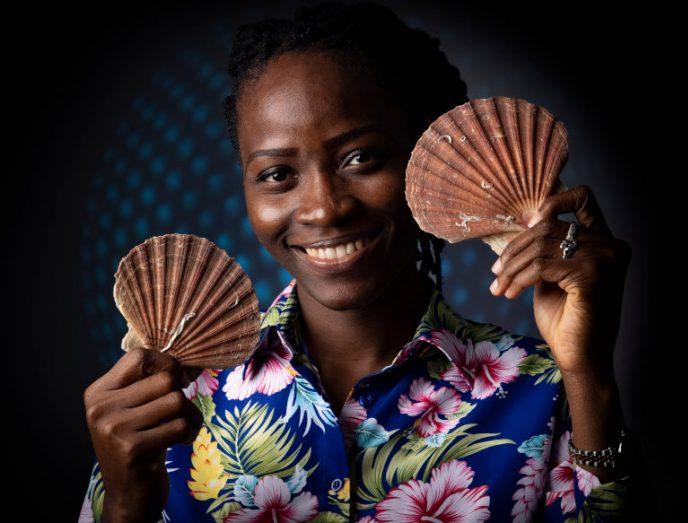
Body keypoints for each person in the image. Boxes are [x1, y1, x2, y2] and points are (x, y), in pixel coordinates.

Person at [80, 2, 645, 521]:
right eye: (278, 174)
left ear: (429, 167)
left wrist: (589, 375)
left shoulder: (549, 390)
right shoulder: (171, 401)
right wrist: (126, 502)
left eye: (362, 158)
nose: (324, 208)